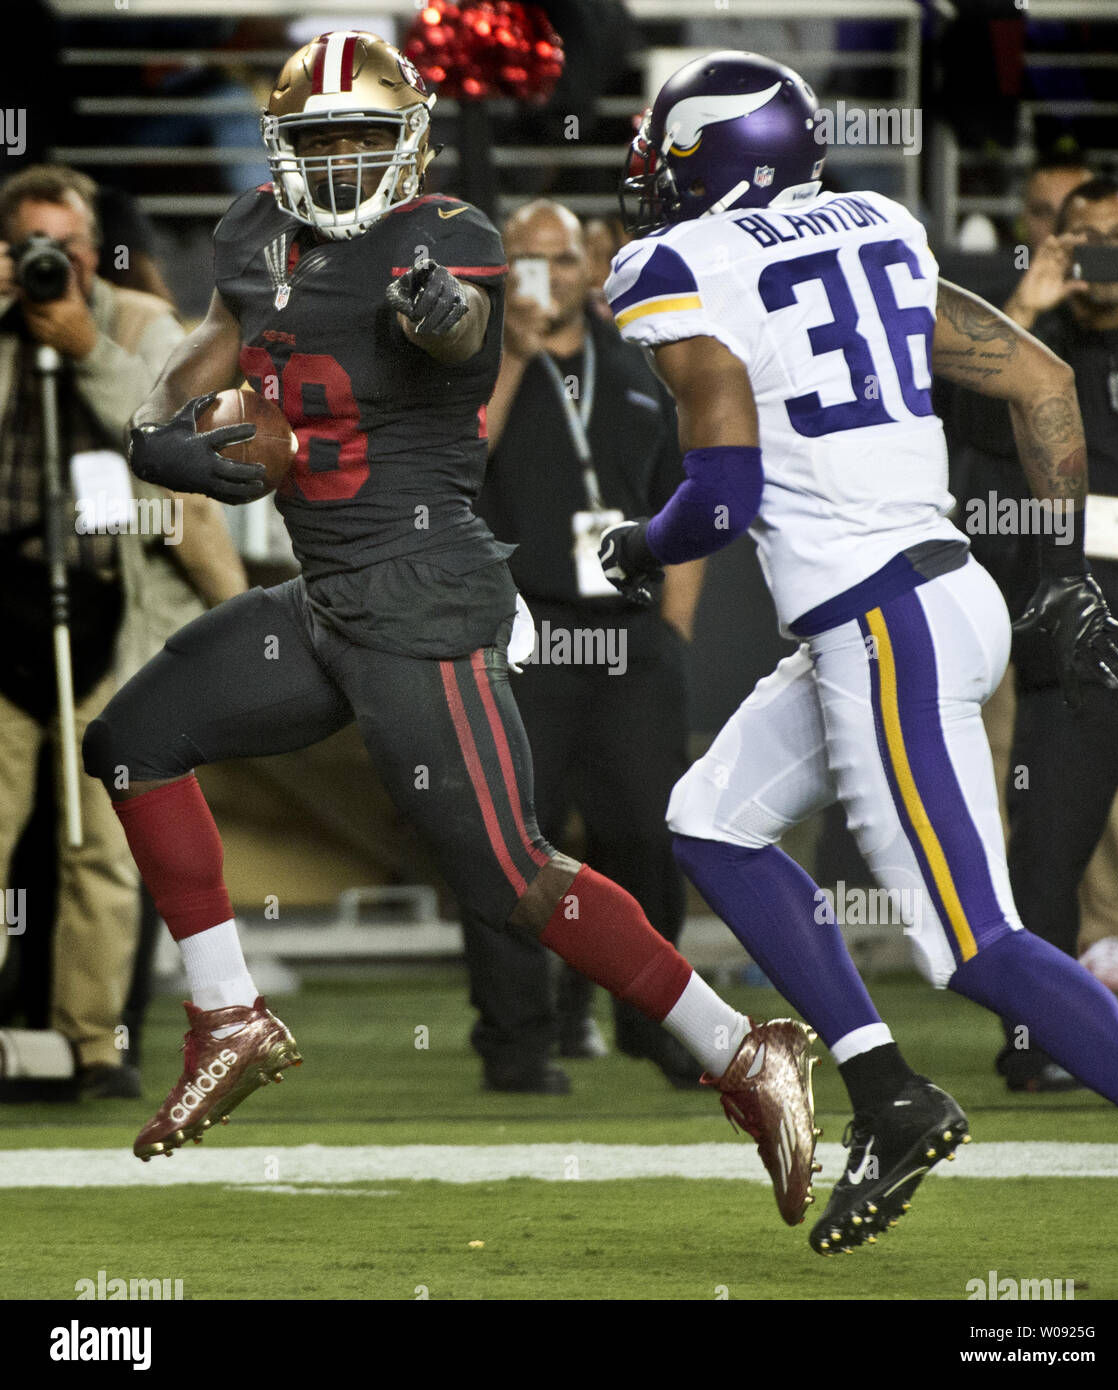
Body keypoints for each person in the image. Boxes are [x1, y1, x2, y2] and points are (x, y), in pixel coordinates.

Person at [81, 30, 819, 1229]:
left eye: (356, 141)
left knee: (513, 878)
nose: (332, 165)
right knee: (129, 740)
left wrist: (434, 318)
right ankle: (228, 1014)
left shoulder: (449, 240)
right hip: (323, 599)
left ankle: (742, 1052)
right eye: (313, 143)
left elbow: (458, 339)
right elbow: (212, 354)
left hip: (424, 602)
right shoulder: (253, 232)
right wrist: (157, 432)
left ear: (405, 144)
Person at [596, 49, 1118, 1257]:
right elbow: (1044, 381)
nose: (649, 174)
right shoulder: (882, 225)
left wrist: (643, 544)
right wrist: (1063, 578)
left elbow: (723, 491)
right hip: (923, 594)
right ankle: (884, 1093)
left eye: (666, 152)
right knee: (710, 822)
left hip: (879, 618)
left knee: (972, 945)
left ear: (711, 166)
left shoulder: (672, 263)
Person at [0, 164, 247, 1097]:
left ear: (94, 243)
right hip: (9, 606)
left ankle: (94, 1045)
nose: (48, 265)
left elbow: (164, 439)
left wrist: (83, 345)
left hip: (114, 611)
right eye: (31, 246)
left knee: (101, 848)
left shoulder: (143, 327)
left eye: (65, 248)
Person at [463, 198, 704, 1092]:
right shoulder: (478, 362)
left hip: (630, 636)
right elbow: (457, 457)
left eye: (558, 260)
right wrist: (515, 353)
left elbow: (682, 500)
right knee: (510, 845)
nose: (543, 277)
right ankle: (515, 1042)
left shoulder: (637, 364)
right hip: (524, 630)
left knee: (643, 836)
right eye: (522, 261)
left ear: (589, 268)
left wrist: (671, 634)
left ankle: (650, 1022)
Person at [991, 176, 1118, 1041]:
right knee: (1044, 865)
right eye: (1083, 237)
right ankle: (1036, 1045)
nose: (1104, 253)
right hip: (1069, 652)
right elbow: (965, 424)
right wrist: (1025, 302)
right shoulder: (1029, 344)